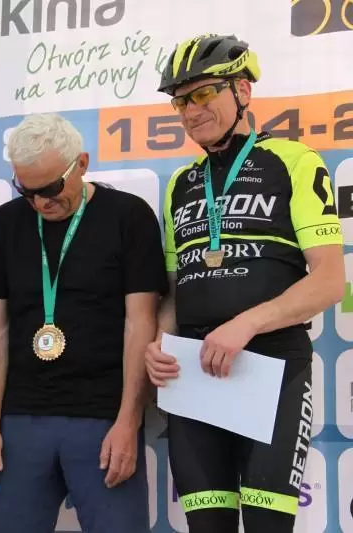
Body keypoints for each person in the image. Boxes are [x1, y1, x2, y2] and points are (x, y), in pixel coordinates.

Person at [145, 34, 345, 533]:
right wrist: (160, 341)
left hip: (272, 365)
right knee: (206, 525)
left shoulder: (293, 160)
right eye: (181, 101)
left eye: (204, 93)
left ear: (243, 91)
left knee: (265, 525)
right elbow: (175, 289)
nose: (192, 111)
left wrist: (246, 324)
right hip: (194, 373)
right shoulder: (181, 184)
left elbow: (330, 280)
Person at [0, 112, 168, 533]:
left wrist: (129, 421)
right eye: (27, 191)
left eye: (51, 189)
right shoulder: (4, 223)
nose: (41, 203)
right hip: (21, 421)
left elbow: (140, 324)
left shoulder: (128, 216)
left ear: (81, 163)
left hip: (103, 419)